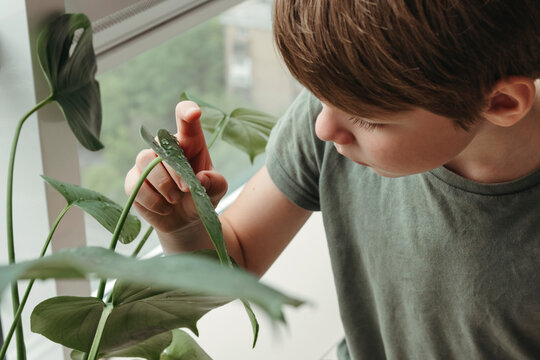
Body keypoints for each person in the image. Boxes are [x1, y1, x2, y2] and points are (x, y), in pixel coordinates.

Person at [125, 1, 540, 358]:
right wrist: (186, 225)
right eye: (316, 96)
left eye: (367, 119)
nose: (324, 127)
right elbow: (236, 264)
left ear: (502, 102)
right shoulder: (342, 111)